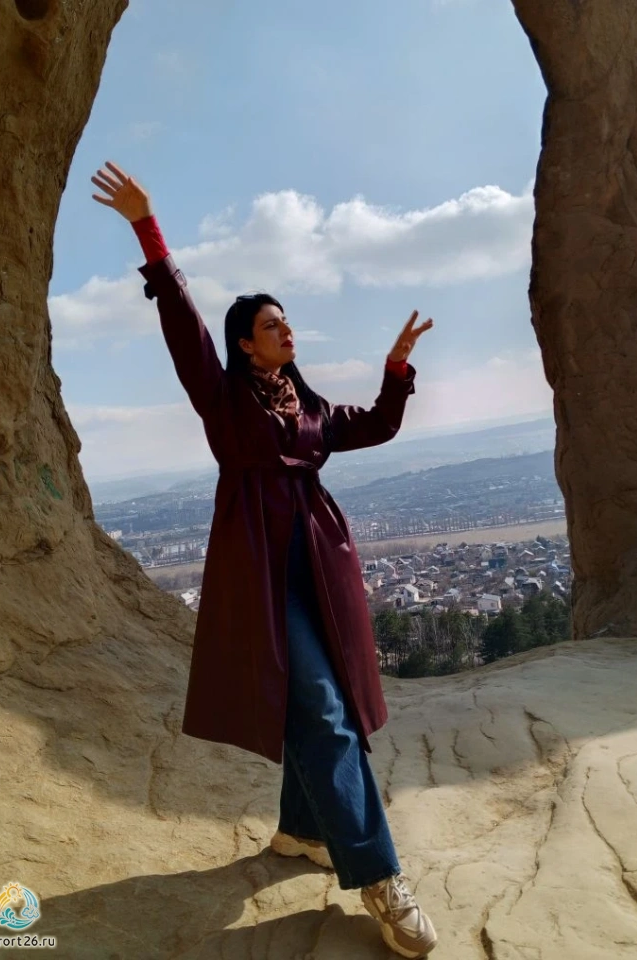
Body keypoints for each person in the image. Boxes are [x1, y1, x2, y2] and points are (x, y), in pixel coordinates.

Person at [91, 160, 438, 958]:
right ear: (245, 342)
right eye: (273, 325)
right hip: (261, 574)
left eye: (288, 323)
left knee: (323, 706)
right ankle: (380, 876)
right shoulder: (223, 400)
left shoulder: (309, 406)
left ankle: (301, 831)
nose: (288, 332)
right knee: (322, 711)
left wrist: (395, 369)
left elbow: (378, 424)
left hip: (322, 569)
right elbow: (183, 325)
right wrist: (149, 230)